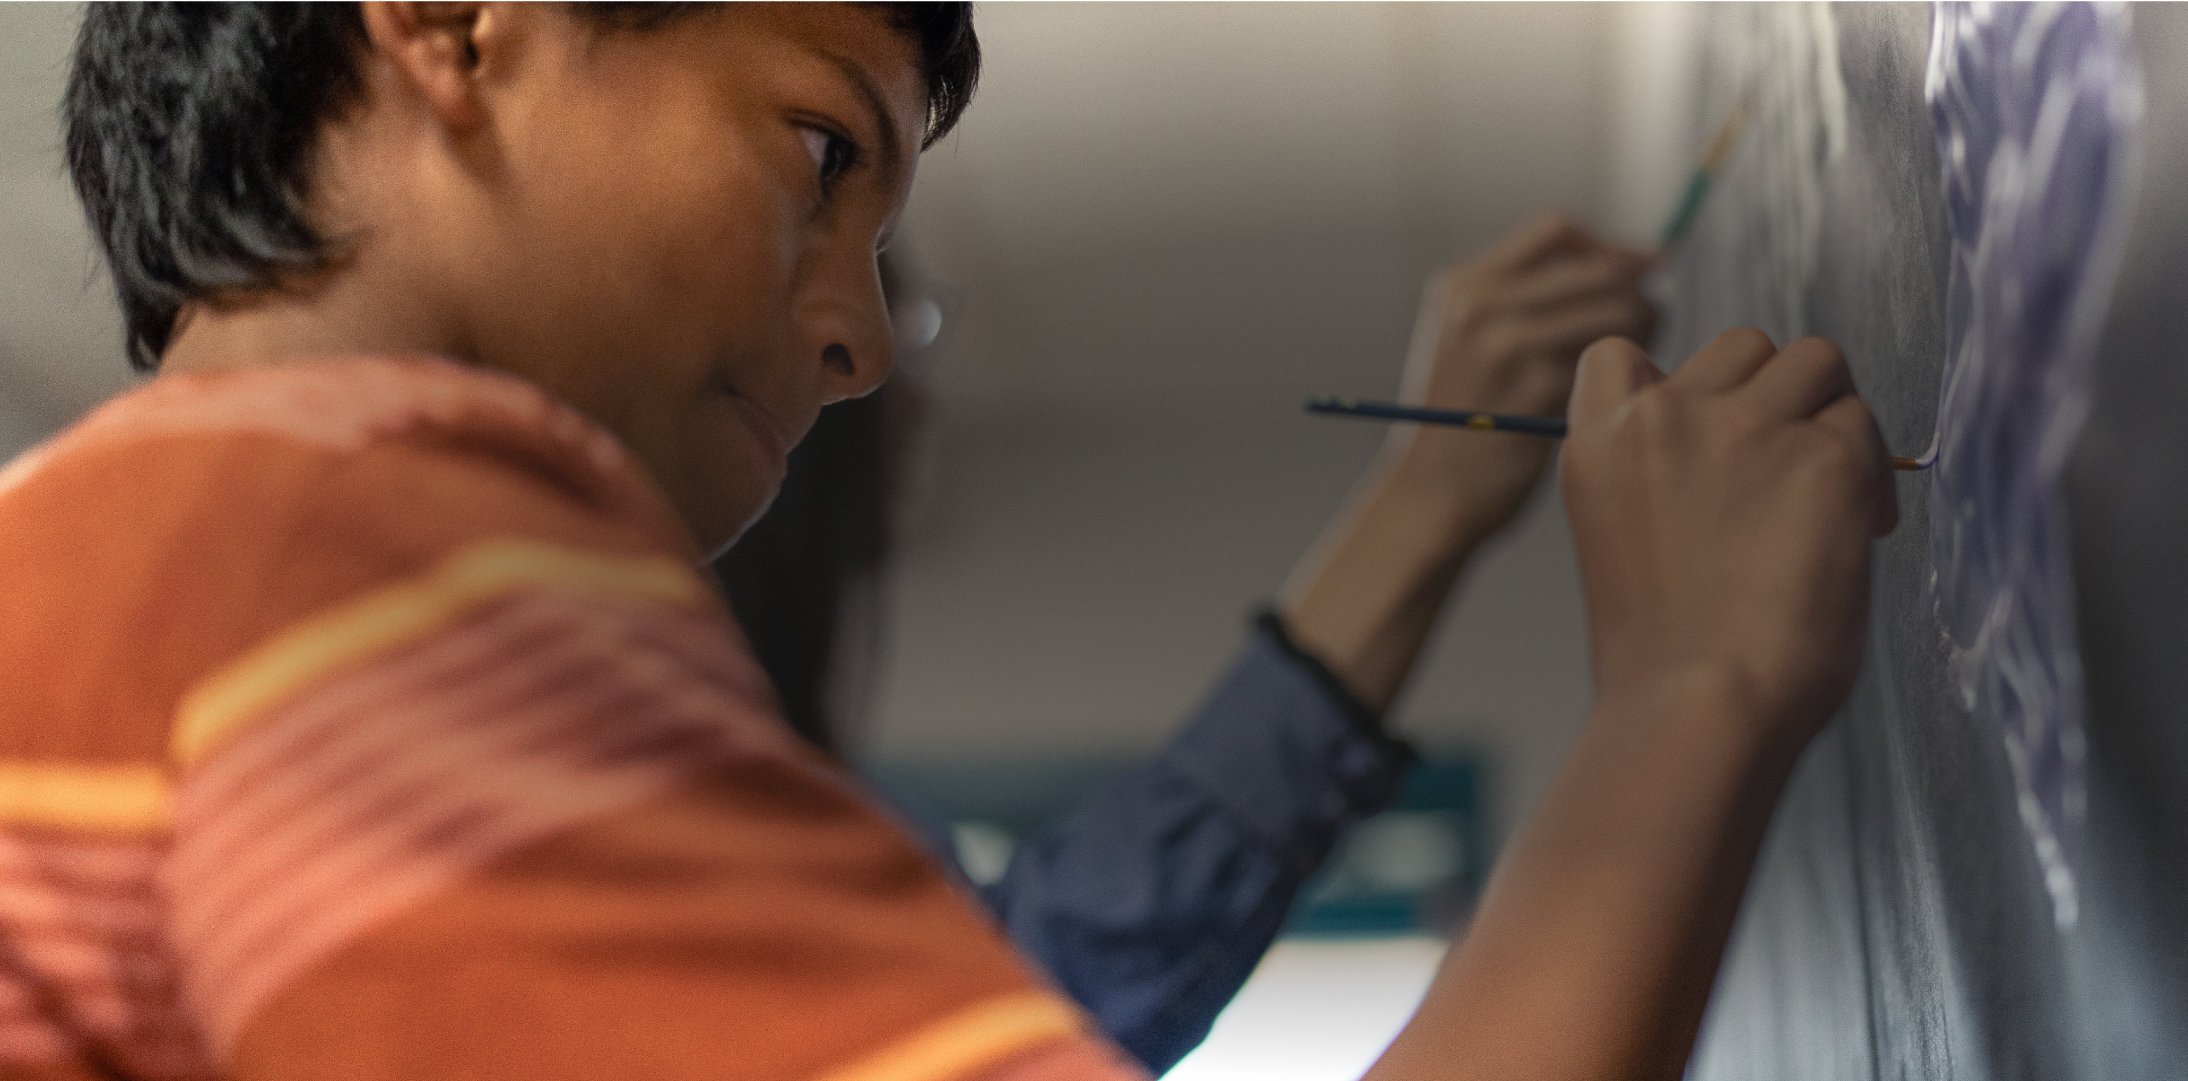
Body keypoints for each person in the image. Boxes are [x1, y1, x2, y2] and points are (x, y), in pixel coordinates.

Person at [4, 3, 1894, 1080]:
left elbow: (1052, 971)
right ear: (452, 25)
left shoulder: (112, 575)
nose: (853, 336)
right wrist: (1694, 681)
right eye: (823, 151)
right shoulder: (329, 528)